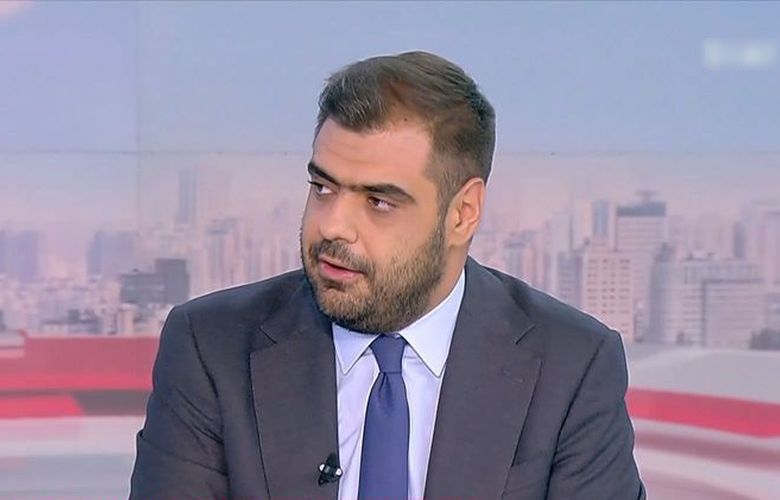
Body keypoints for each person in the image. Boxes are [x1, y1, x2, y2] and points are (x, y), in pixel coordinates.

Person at [130, 51, 645, 499]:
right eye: (323, 188)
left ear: (462, 213)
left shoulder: (571, 366)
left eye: (378, 201)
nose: (332, 226)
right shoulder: (210, 348)